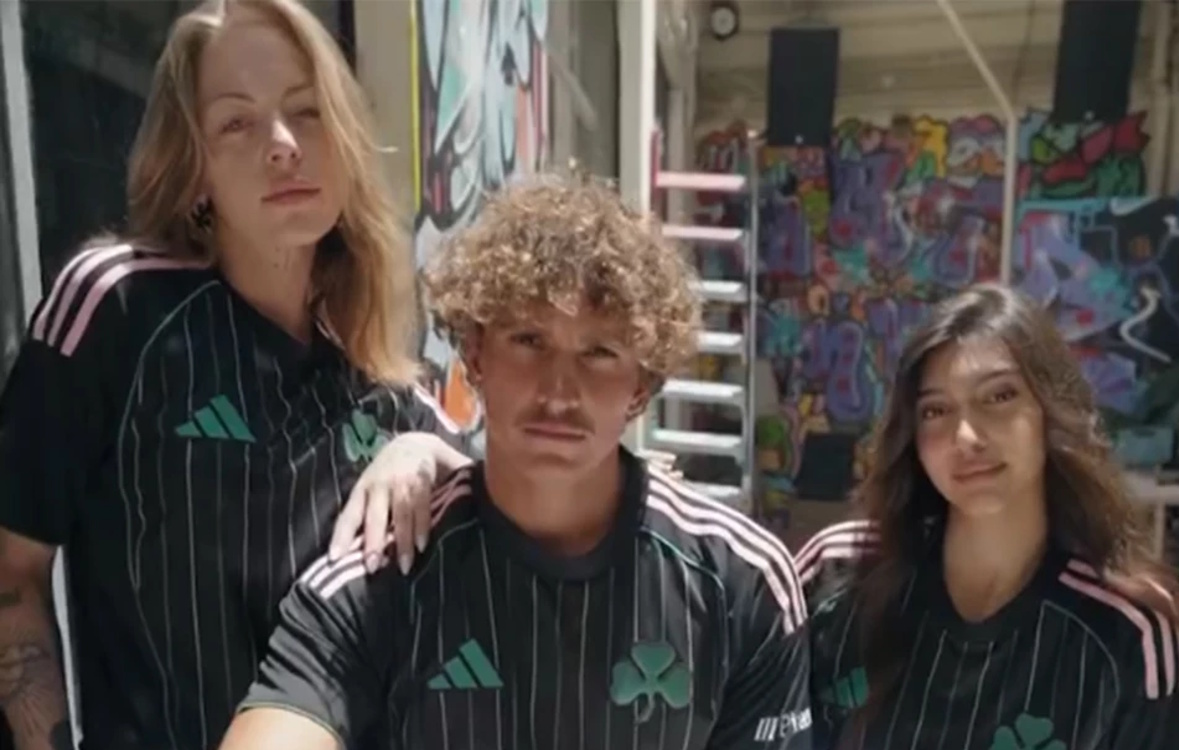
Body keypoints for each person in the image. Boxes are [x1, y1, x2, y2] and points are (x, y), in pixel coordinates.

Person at [0, 1, 473, 748]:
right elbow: (12, 572)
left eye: (307, 111)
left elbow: (512, 513)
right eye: (237, 123)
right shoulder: (119, 308)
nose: (282, 145)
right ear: (194, 170)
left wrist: (425, 453)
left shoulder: (384, 392)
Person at [218, 177, 813, 749]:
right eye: (529, 340)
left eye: (599, 353)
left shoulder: (741, 584)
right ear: (475, 355)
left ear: (641, 385)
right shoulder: (377, 579)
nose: (558, 392)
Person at [794, 283, 1179, 749]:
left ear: (1052, 411)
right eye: (936, 410)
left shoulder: (1128, 633)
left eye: (999, 396)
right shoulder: (834, 576)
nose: (966, 436)